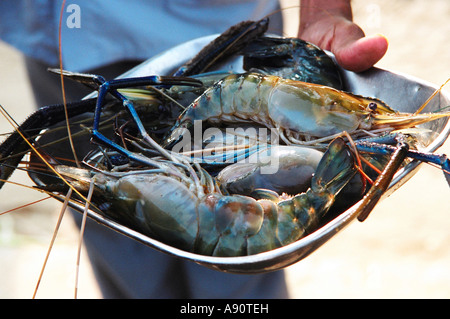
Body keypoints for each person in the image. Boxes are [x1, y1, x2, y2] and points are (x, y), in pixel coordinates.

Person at [0, 0, 387, 298]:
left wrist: (324, 10)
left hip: (210, 30)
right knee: (120, 244)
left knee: (233, 282)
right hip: (58, 32)